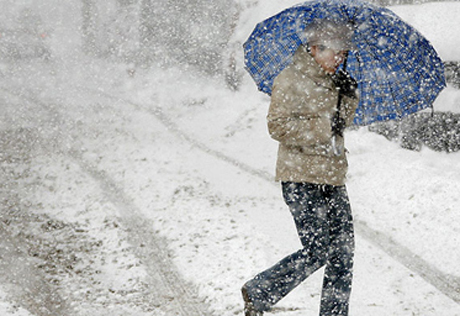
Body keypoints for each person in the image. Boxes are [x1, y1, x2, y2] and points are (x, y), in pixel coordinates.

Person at [241, 21, 359, 316]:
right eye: (336, 53)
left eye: (344, 54)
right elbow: (277, 126)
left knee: (343, 253)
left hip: (332, 176)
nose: (339, 59)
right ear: (316, 48)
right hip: (300, 176)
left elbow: (340, 126)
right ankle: (259, 291)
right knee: (318, 249)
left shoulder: (336, 81)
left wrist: (349, 96)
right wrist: (321, 127)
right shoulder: (290, 79)